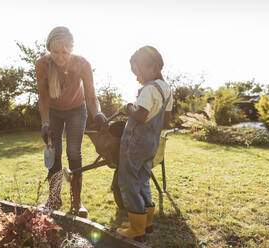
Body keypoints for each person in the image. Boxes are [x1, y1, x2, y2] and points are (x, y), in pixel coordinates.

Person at [35, 26, 107, 218]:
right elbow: (43, 97)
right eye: (55, 51)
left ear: (71, 49)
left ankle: (77, 201)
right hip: (54, 112)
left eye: (64, 52)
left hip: (77, 110)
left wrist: (98, 114)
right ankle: (54, 198)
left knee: (73, 151)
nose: (60, 56)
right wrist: (45, 122)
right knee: (54, 152)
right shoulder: (42, 64)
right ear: (49, 49)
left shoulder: (82, 63)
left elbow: (91, 97)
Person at [116, 46, 173, 242]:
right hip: (151, 144)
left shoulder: (149, 89)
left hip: (135, 144)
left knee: (129, 181)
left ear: (153, 67)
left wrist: (128, 107)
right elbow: (164, 120)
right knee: (142, 179)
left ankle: (136, 229)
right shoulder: (167, 90)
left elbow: (140, 116)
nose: (137, 76)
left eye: (138, 71)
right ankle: (145, 223)